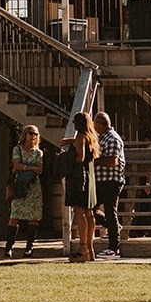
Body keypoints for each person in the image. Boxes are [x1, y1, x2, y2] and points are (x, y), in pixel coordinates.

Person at [59, 111, 99, 262]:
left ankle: (82, 249)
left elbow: (80, 156)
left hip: (79, 178)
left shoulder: (81, 137)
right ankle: (90, 248)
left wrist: (64, 159)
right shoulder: (91, 137)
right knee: (89, 213)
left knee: (79, 212)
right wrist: (69, 141)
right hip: (90, 177)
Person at [4, 125, 46, 257]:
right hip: (20, 185)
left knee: (33, 217)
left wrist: (24, 167)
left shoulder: (38, 152)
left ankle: (29, 248)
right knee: (14, 216)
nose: (33, 136)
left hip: (33, 187)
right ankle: (9, 248)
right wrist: (31, 168)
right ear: (25, 135)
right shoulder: (17, 149)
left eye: (35, 134)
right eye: (30, 134)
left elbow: (40, 170)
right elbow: (16, 165)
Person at [93, 111, 127, 258]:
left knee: (110, 211)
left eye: (95, 124)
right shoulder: (102, 137)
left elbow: (112, 161)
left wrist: (94, 161)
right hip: (101, 180)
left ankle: (114, 247)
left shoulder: (112, 139)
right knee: (90, 208)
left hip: (111, 181)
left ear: (100, 124)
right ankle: (114, 228)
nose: (93, 127)